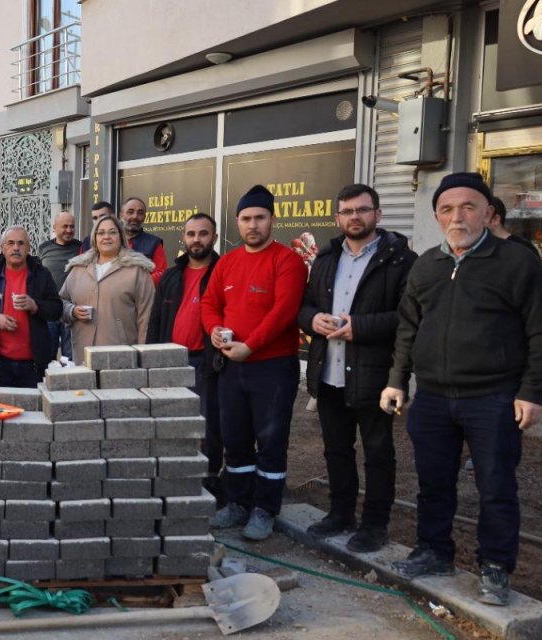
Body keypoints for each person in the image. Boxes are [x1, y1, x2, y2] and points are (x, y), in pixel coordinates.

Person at [382, 172, 542, 606]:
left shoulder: (517, 262)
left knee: (496, 486)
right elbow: (408, 328)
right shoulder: (427, 264)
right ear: (438, 216)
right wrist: (396, 381)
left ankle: (496, 567)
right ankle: (434, 551)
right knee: (433, 482)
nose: (457, 216)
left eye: (467, 207)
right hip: (434, 399)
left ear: (487, 213)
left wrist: (532, 392)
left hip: (494, 399)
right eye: (447, 208)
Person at [297, 184, 416, 553]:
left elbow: (409, 317)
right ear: (337, 218)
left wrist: (360, 327)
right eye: (347, 211)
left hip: (374, 373)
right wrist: (312, 319)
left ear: (377, 215)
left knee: (378, 452)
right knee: (336, 449)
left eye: (362, 210)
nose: (354, 217)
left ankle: (375, 524)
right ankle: (341, 513)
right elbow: (303, 305)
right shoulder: (327, 258)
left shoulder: (400, 260)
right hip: (330, 371)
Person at [201, 184, 307, 541]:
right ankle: (238, 503)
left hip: (273, 366)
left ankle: (265, 509)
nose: (253, 225)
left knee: (271, 440)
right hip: (232, 365)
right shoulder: (227, 262)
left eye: (260, 217)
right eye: (246, 218)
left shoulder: (287, 261)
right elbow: (209, 303)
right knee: (236, 438)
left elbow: (284, 312)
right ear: (237, 222)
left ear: (272, 219)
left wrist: (251, 345)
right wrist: (214, 329)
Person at [148, 213, 224, 505]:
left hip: (206, 361)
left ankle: (209, 478)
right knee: (172, 422)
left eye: (203, 234)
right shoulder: (171, 275)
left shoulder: (222, 271)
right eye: (191, 234)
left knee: (207, 424)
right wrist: (152, 357)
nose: (196, 240)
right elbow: (156, 319)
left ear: (214, 238)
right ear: (183, 238)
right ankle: (176, 475)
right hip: (172, 361)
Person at [0, 226, 63, 387]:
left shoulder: (41, 275)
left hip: (33, 364)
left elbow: (56, 309)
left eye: (21, 243)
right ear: (2, 248)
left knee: (31, 411)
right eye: (10, 243)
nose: (16, 248)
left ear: (28, 248)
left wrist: (35, 306)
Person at [60, 214, 156, 352]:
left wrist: (143, 354)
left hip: (121, 357)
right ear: (95, 238)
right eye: (101, 233)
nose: (106, 237)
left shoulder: (137, 271)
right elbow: (59, 302)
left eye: (112, 232)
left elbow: (146, 318)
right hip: (83, 354)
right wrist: (72, 311)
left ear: (121, 237)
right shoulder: (78, 269)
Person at [37, 211, 81, 362]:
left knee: (70, 357)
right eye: (65, 226)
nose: (69, 230)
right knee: (47, 354)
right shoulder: (43, 248)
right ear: (54, 227)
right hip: (50, 310)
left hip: (71, 310)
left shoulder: (81, 249)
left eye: (72, 226)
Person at [118, 197, 170, 285]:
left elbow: (161, 273)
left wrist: (136, 283)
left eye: (140, 213)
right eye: (130, 212)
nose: (135, 216)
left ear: (144, 217)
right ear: (121, 215)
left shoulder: (154, 243)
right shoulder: (112, 241)